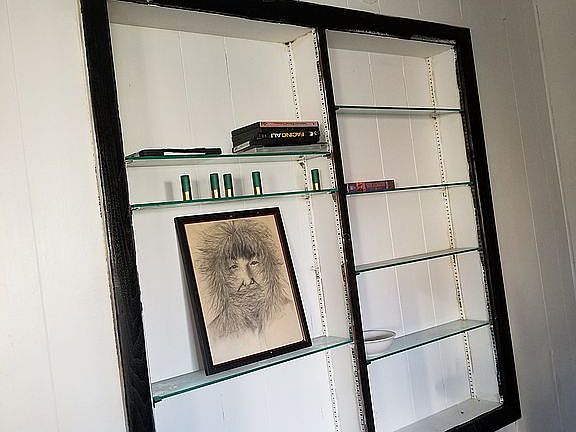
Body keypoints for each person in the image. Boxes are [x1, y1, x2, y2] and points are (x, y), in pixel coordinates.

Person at [196, 219, 290, 339]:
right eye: (233, 267)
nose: (247, 281)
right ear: (220, 278)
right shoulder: (215, 335)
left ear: (270, 268)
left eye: (254, 263)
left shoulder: (291, 314)